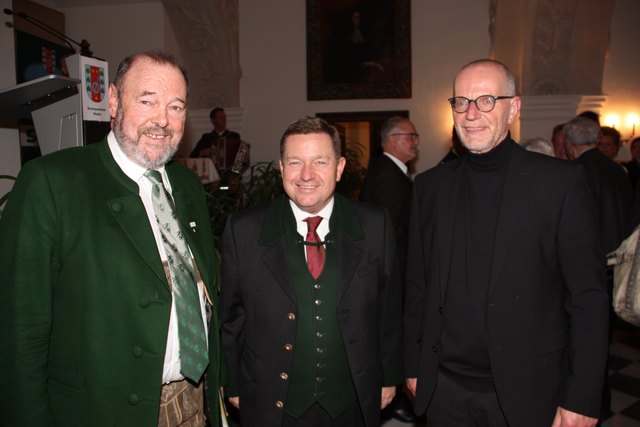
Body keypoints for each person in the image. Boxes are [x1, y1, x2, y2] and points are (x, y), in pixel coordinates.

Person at [0, 51, 223, 426]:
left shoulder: (186, 185)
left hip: (193, 401)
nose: (162, 120)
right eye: (147, 101)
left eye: (176, 106)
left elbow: (206, 295)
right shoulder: (52, 183)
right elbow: (20, 332)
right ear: (115, 101)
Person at [403, 59, 609, 427]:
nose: (471, 114)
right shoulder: (430, 187)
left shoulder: (560, 184)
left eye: (486, 100)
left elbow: (588, 298)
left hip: (531, 388)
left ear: (513, 108)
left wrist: (582, 396)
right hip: (445, 390)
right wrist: (414, 363)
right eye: (461, 102)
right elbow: (418, 286)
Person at [221, 116, 402, 427]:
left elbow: (389, 310)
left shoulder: (375, 225)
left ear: (339, 167)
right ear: (281, 168)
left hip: (352, 402)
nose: (306, 175)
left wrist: (389, 377)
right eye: (295, 162)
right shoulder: (244, 230)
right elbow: (232, 317)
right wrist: (233, 384)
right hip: (272, 403)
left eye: (320, 162)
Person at [359, 116, 419, 423]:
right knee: (393, 333)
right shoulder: (387, 174)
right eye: (410, 136)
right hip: (392, 271)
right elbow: (389, 233)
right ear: (392, 140)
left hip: (395, 269)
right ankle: (395, 398)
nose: (416, 142)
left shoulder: (393, 171)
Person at [564, 116, 633, 255]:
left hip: (592, 249)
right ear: (597, 140)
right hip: (621, 245)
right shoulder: (617, 168)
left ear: (569, 143)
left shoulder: (574, 171)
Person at [190, 107, 246, 172]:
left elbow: (241, 157)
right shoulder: (206, 137)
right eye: (220, 117)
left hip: (230, 173)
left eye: (224, 117)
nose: (224, 119)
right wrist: (202, 152)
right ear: (213, 120)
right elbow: (192, 156)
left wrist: (236, 173)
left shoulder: (234, 136)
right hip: (212, 173)